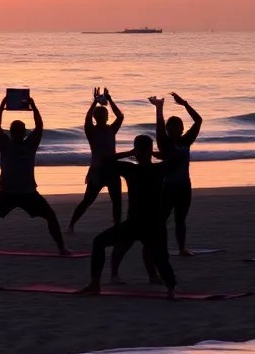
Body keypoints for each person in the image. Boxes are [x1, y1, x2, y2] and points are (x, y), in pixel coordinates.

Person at [0, 95, 67, 255]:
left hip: (21, 192)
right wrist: (33, 107)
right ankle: (61, 249)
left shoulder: (13, 145)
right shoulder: (20, 145)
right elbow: (39, 126)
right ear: (23, 132)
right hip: (13, 193)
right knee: (49, 217)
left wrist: (2, 107)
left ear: (12, 132)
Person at [81, 134, 176, 296]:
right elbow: (177, 159)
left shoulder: (131, 170)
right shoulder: (158, 169)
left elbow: (105, 160)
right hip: (151, 224)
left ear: (136, 151)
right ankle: (171, 289)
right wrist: (158, 154)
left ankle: (95, 284)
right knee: (160, 258)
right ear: (150, 150)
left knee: (99, 242)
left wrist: (129, 153)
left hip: (137, 224)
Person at [150, 91, 203, 255]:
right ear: (168, 130)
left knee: (181, 218)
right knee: (162, 218)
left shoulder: (186, 141)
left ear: (181, 129)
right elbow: (159, 125)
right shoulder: (164, 142)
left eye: (177, 127)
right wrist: (159, 107)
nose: (174, 130)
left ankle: (182, 248)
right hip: (168, 186)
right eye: (171, 128)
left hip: (184, 186)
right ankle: (158, 246)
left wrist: (185, 104)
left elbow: (198, 120)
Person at [67, 87, 124, 233]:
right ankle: (71, 225)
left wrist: (110, 99)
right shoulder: (91, 131)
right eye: (103, 115)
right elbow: (87, 119)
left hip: (112, 170)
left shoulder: (111, 129)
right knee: (88, 200)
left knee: (117, 201)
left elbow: (120, 116)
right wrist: (94, 102)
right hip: (97, 171)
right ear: (96, 117)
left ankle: (117, 226)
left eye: (106, 114)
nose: (105, 116)